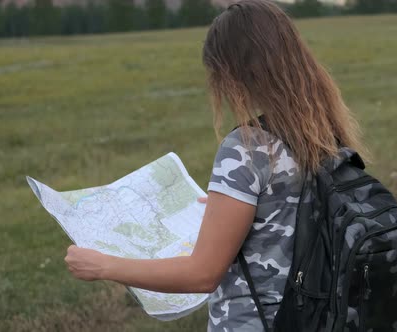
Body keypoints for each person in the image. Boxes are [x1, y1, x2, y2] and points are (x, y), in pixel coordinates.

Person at [64, 0, 367, 330]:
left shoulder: (247, 147)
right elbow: (297, 207)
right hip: (317, 318)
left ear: (232, 72)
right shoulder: (323, 131)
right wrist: (237, 208)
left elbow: (203, 274)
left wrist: (104, 265)